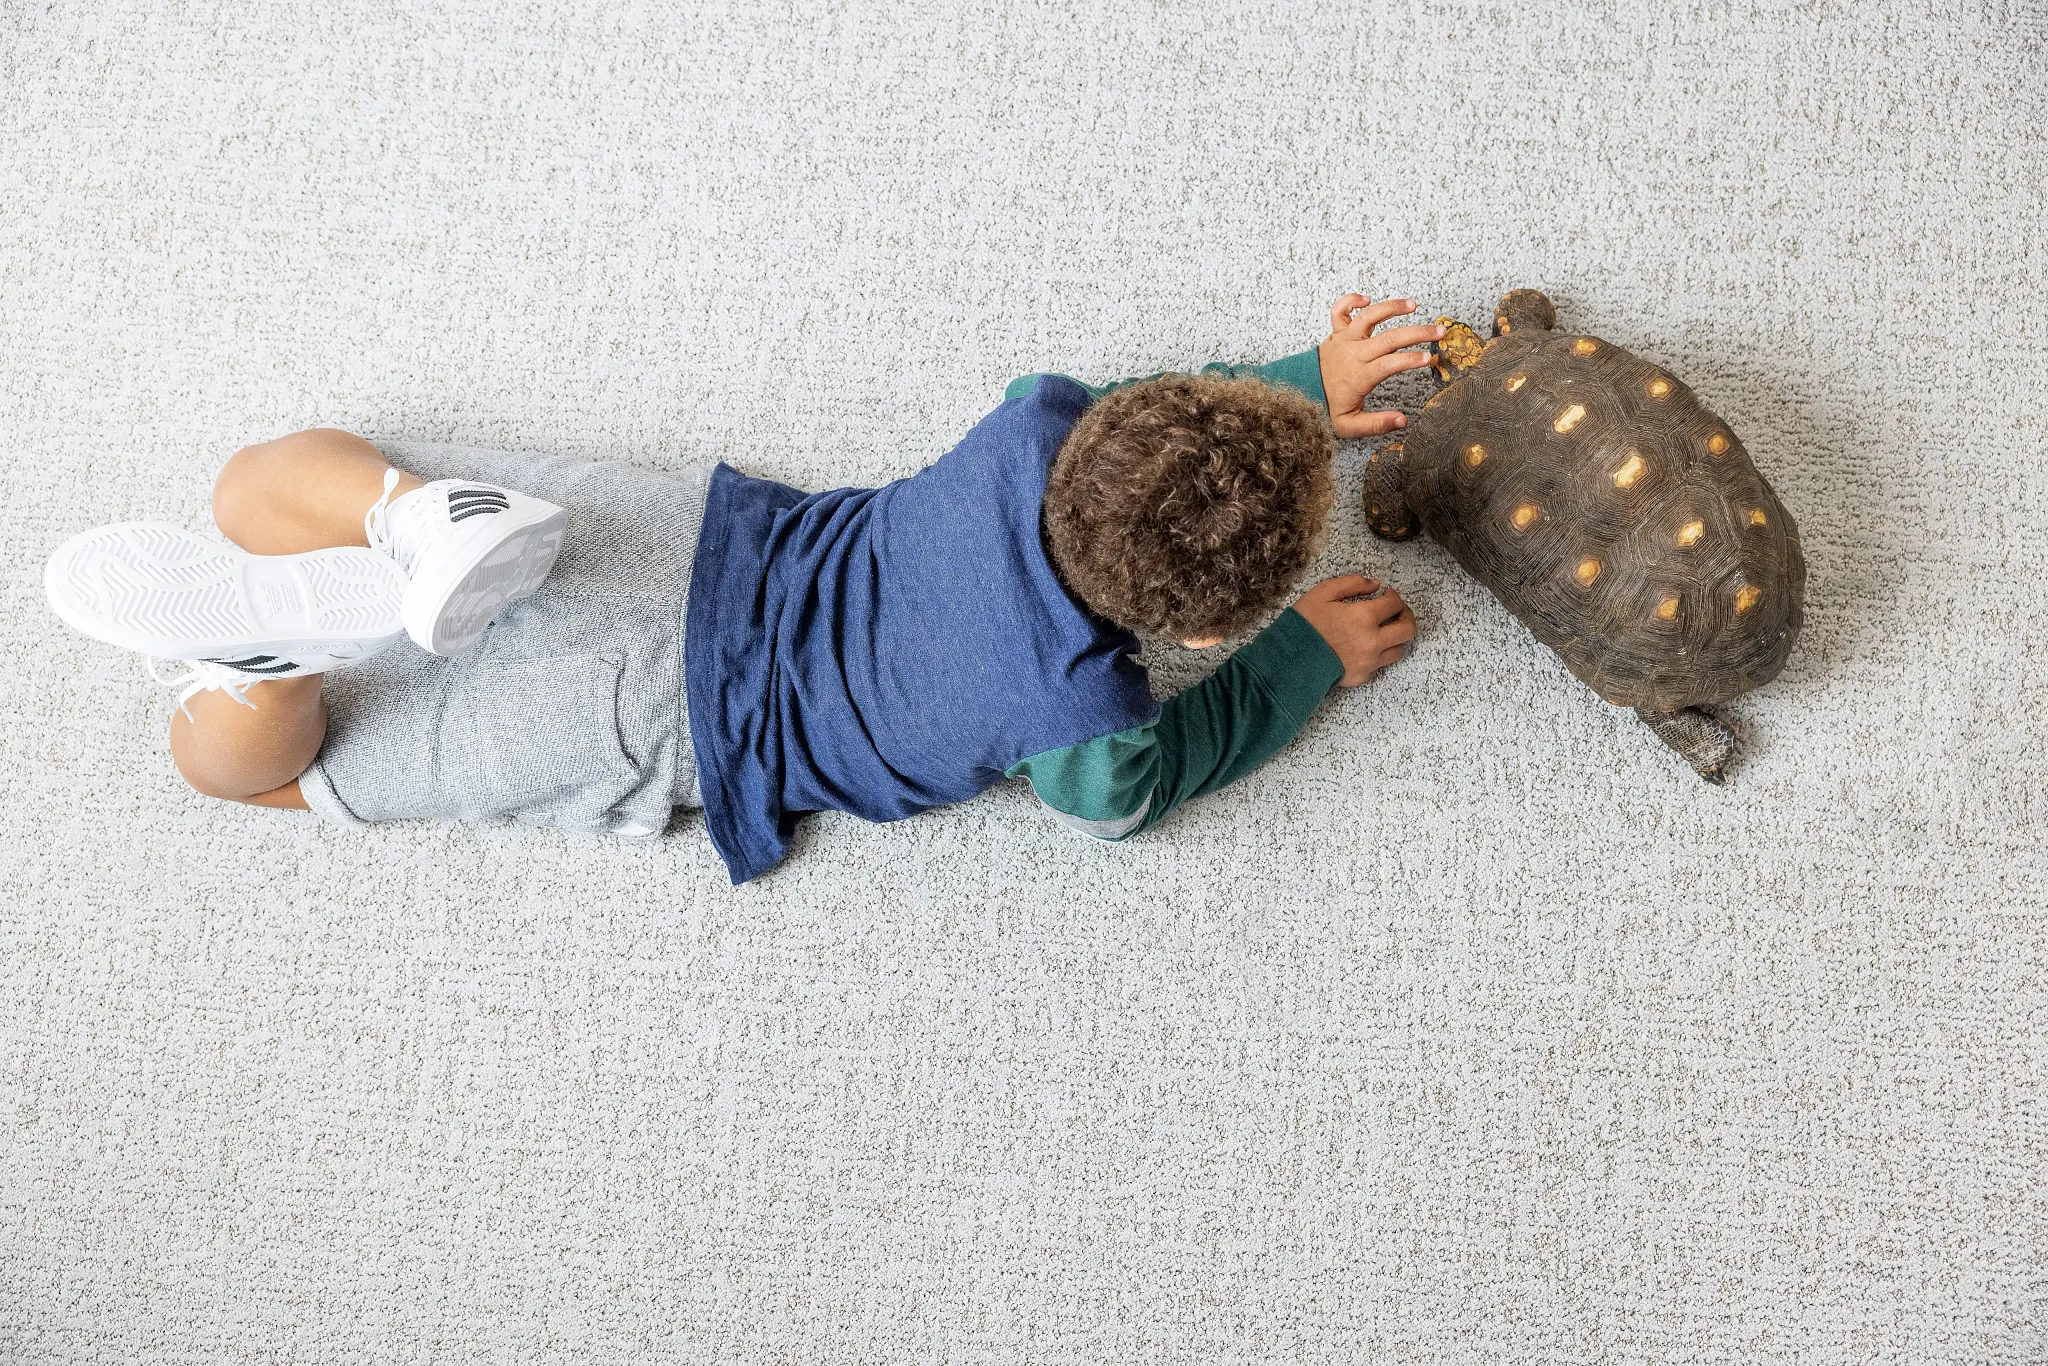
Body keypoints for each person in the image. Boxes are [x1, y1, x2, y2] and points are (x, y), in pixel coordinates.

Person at [44, 295, 1435, 883]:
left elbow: (1132, 420)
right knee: (275, 779)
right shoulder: (1089, 714)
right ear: (1196, 630)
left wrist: (1298, 386)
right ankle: (256, 672)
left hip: (686, 548)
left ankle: (396, 519)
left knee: (250, 492)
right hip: (665, 722)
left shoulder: (1036, 423)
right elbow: (1129, 801)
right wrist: (1294, 659)